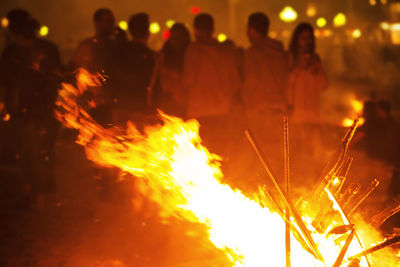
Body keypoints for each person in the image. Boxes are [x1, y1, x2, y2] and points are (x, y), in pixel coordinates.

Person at [0, 14, 63, 210]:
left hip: (38, 113)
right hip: (24, 112)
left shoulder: (41, 52)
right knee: (29, 154)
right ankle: (35, 194)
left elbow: (56, 80)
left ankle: (41, 197)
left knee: (36, 155)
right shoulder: (12, 53)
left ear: (18, 34)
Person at [182, 13, 240, 156]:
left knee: (200, 154)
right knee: (219, 153)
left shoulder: (194, 50)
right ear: (213, 29)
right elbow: (235, 82)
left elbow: (188, 80)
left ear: (195, 29)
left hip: (199, 111)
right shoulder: (225, 52)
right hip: (222, 111)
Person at [241, 12, 289, 176]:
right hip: (279, 108)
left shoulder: (253, 53)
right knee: (275, 153)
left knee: (259, 154)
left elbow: (251, 82)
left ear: (252, 30)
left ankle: (262, 188)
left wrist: (244, 101)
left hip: (259, 109)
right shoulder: (280, 52)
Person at [69, 8, 121, 126]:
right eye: (107, 21)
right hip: (93, 106)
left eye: (112, 21)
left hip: (111, 105)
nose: (111, 25)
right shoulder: (88, 46)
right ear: (97, 23)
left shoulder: (114, 46)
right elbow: (76, 73)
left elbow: (114, 71)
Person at [288, 23, 328, 158]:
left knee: (314, 154)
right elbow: (287, 86)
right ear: (296, 40)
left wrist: (316, 69)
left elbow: (323, 86)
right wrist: (297, 69)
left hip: (313, 115)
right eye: (302, 38)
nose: (306, 42)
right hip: (296, 115)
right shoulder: (290, 59)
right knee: (298, 154)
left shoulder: (315, 60)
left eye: (309, 38)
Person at [113, 12, 156, 125]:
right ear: (148, 32)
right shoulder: (151, 56)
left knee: (119, 140)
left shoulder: (119, 51)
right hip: (140, 107)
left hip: (120, 105)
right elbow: (154, 84)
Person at [157, 23, 191, 117]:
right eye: (174, 37)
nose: (176, 41)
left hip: (188, 102)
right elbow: (159, 78)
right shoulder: (163, 55)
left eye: (179, 37)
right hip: (169, 101)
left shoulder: (192, 55)